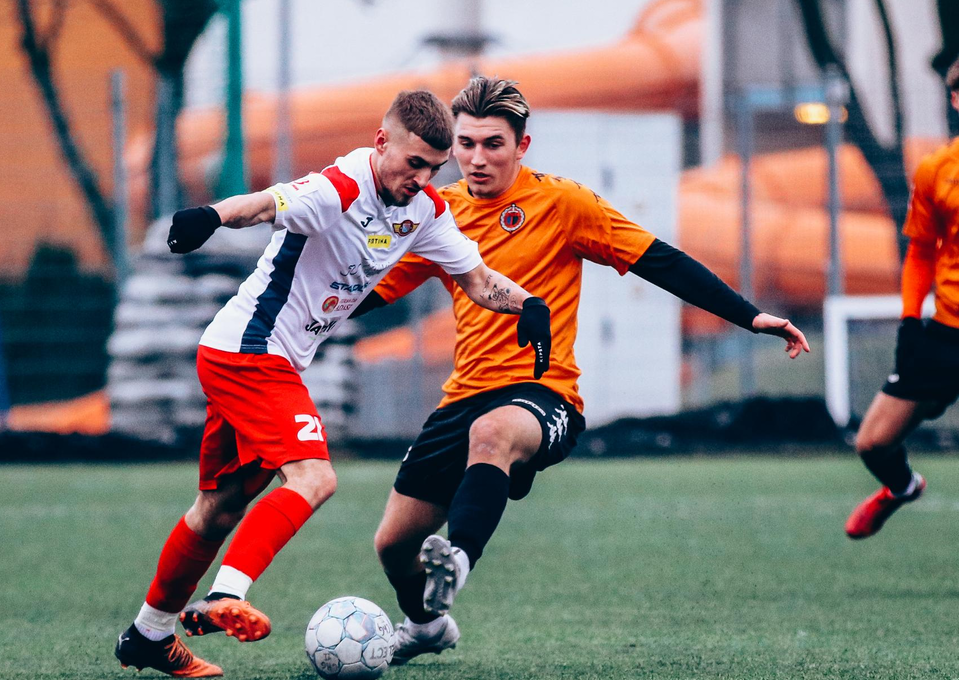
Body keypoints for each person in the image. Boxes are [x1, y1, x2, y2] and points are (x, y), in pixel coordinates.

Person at [350, 76, 811, 664]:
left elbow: (660, 260)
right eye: (465, 144)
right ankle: (426, 627)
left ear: (522, 146)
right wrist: (294, 319)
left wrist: (750, 316)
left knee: (491, 433)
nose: (476, 158)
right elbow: (370, 291)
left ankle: (458, 560)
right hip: (462, 395)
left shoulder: (564, 204)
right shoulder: (440, 214)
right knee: (393, 546)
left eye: (493, 144)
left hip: (543, 394)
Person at [114, 89, 553, 677]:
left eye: (433, 168)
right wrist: (211, 217)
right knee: (315, 476)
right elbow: (263, 204)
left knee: (217, 509)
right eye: (413, 163)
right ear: (381, 142)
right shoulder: (339, 188)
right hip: (250, 351)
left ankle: (148, 635)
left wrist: (529, 306)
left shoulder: (423, 210)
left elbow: (476, 279)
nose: (421, 179)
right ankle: (225, 595)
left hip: (257, 358)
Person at [843, 59, 959, 540]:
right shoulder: (937, 170)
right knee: (872, 443)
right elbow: (920, 253)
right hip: (947, 332)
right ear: (956, 100)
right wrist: (910, 323)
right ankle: (902, 487)